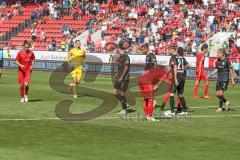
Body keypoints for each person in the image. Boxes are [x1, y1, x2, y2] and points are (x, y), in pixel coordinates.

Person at [168, 47, 191, 115]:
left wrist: (175, 78)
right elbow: (189, 65)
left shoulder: (175, 58)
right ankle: (184, 110)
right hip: (182, 77)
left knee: (171, 93)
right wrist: (183, 68)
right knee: (180, 94)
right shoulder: (182, 58)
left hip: (177, 76)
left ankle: (172, 111)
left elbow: (175, 68)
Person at [112, 41, 130, 115]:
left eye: (116, 49)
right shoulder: (120, 56)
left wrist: (122, 77)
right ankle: (125, 103)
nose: (115, 50)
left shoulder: (126, 56)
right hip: (120, 76)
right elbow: (120, 67)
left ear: (118, 48)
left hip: (124, 78)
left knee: (121, 93)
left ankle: (124, 109)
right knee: (115, 92)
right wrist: (117, 74)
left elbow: (126, 67)